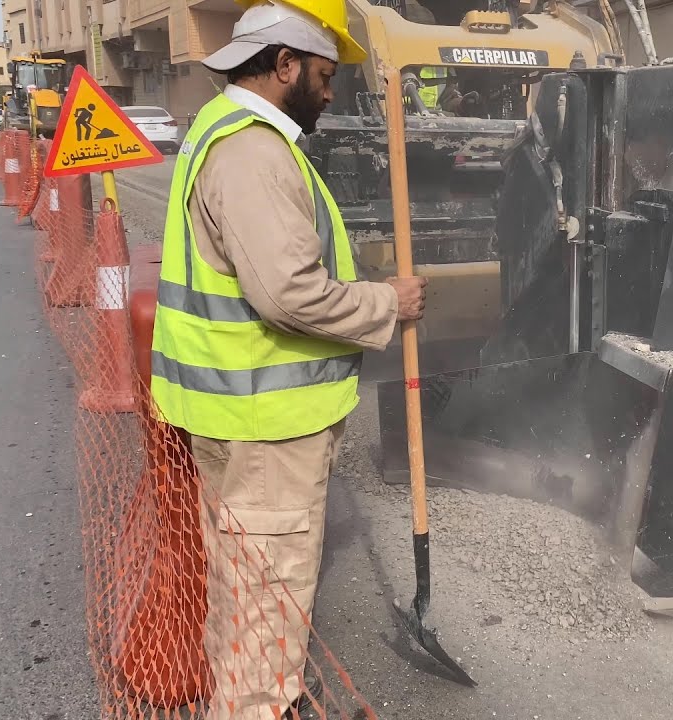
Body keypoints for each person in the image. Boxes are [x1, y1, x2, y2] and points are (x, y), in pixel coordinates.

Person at [147, 0, 427, 717]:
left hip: (232, 414)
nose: (330, 94)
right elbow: (287, 295)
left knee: (241, 602)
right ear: (284, 64)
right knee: (265, 629)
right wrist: (387, 303)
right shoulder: (255, 153)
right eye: (325, 76)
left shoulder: (219, 129)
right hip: (265, 428)